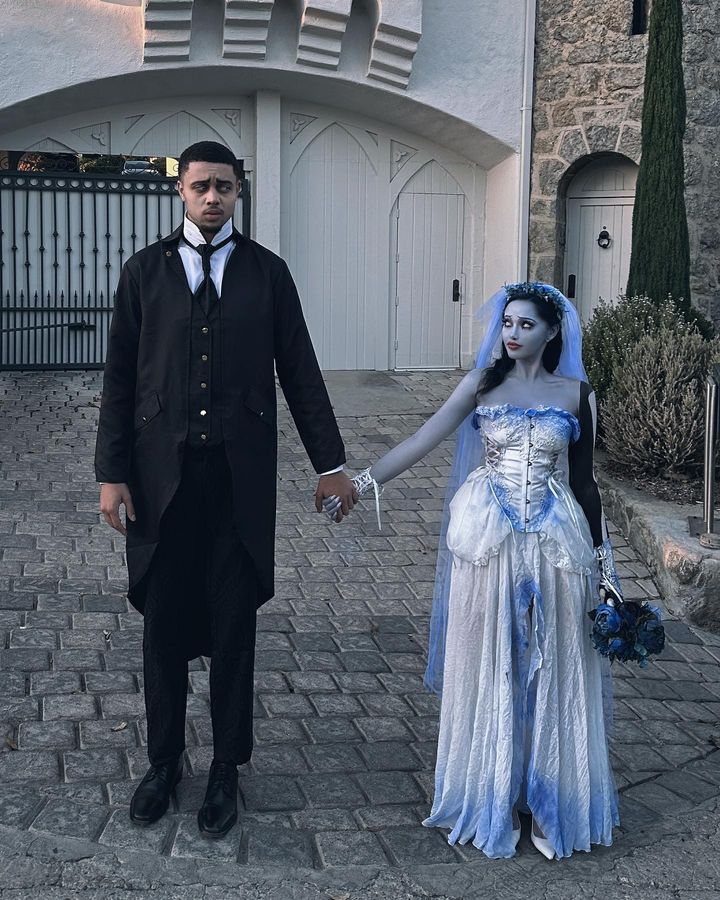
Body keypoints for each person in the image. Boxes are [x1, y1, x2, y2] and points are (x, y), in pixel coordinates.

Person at [95, 141, 356, 838]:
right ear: (180, 191)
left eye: (225, 188)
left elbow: (300, 370)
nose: (213, 198)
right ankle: (164, 761)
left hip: (238, 483)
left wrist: (329, 462)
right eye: (201, 186)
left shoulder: (267, 275)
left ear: (240, 194)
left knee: (235, 628)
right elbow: (120, 379)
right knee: (163, 627)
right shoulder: (144, 274)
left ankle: (225, 772)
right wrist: (110, 473)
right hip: (159, 482)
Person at [324, 282, 622, 860]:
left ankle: (552, 797)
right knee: (492, 662)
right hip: (489, 540)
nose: (511, 334)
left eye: (525, 325)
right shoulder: (482, 387)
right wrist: (359, 486)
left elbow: (587, 486)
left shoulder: (578, 394)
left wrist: (608, 571)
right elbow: (419, 440)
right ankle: (493, 790)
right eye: (507, 323)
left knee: (554, 665)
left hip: (557, 540)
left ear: (552, 331)